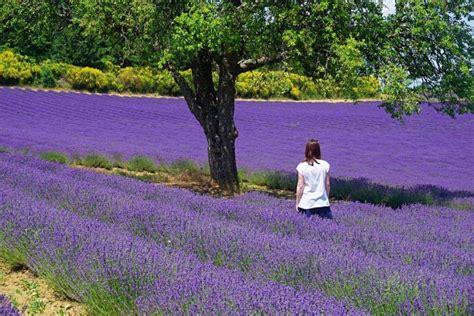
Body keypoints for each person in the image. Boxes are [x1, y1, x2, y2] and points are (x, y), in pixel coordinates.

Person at [295, 139, 333, 219]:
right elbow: (328, 184)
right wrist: (326, 198)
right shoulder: (325, 165)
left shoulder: (302, 166)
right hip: (323, 204)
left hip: (307, 203)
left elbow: (300, 186)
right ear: (318, 150)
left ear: (306, 150)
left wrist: (297, 203)